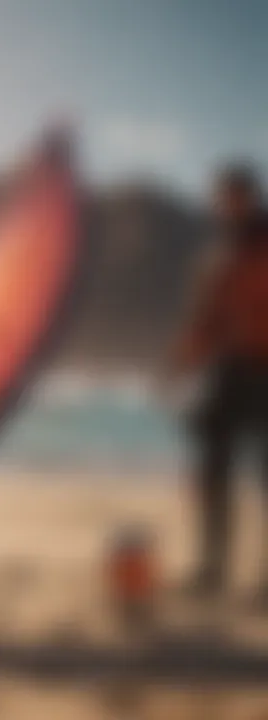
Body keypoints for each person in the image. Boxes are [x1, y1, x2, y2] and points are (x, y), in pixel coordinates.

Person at [166, 162, 268, 600]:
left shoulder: (256, 246)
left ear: (248, 196)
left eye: (231, 196)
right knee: (213, 471)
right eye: (220, 198)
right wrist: (182, 360)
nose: (224, 205)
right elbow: (208, 319)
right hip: (228, 370)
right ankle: (211, 568)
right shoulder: (222, 251)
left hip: (264, 370)